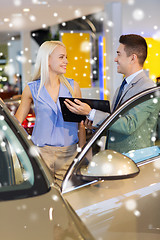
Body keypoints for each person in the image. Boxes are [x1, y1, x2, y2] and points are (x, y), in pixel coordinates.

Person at [15, 40, 86, 183]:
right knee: (42, 199)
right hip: (40, 154)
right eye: (61, 57)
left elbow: (81, 123)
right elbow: (16, 122)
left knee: (66, 200)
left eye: (66, 57)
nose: (66, 61)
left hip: (69, 154)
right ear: (47, 59)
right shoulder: (32, 88)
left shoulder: (73, 87)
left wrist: (83, 152)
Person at [64, 34, 156, 128]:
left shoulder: (147, 88)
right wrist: (96, 126)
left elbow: (130, 125)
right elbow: (116, 125)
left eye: (119, 54)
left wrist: (91, 113)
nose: (116, 59)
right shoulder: (122, 87)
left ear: (133, 58)